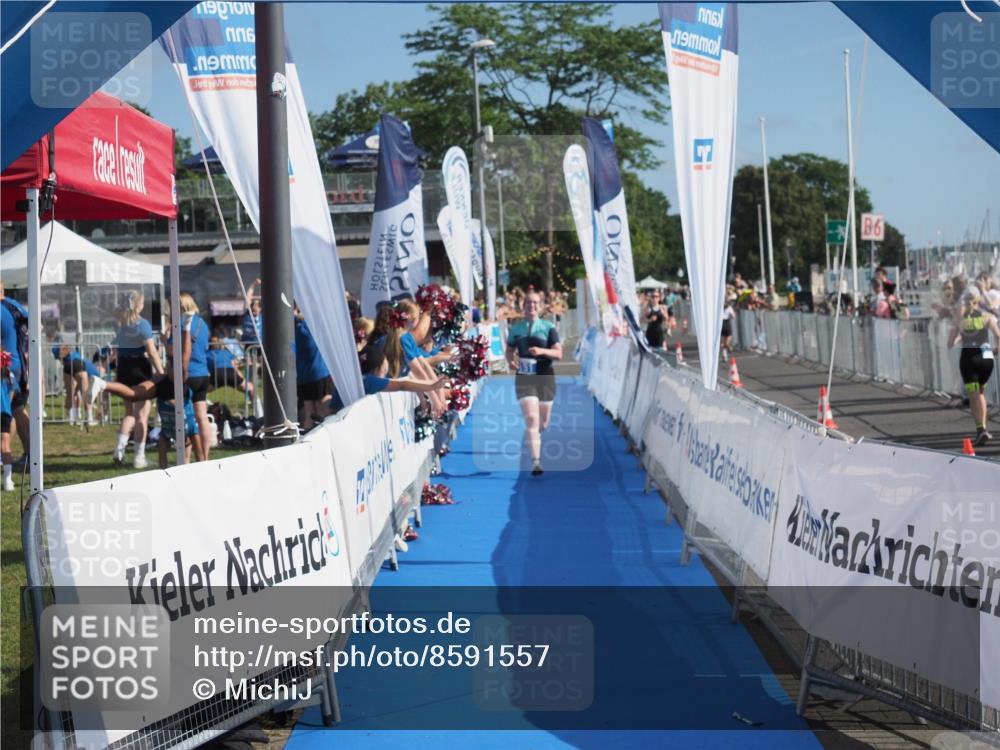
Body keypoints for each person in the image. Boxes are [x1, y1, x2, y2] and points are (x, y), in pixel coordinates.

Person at [505, 291, 562, 476]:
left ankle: (534, 436)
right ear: (523, 306)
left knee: (543, 423)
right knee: (531, 419)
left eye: (536, 303)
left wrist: (542, 350)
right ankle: (536, 461)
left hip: (545, 376)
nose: (532, 306)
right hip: (524, 377)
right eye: (529, 303)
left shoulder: (548, 327)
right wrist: (510, 361)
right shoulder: (516, 328)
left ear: (541, 306)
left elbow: (559, 354)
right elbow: (509, 350)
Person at [111, 291, 164, 469]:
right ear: (138, 304)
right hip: (140, 368)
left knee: (129, 413)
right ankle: (139, 457)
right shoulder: (143, 324)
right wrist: (161, 372)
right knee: (141, 416)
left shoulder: (119, 323)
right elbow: (152, 351)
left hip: (124, 368)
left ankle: (119, 451)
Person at [948, 286, 1000, 445]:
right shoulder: (988, 317)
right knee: (981, 392)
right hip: (986, 357)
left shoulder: (961, 320)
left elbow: (950, 343)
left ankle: (981, 429)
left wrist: (959, 338)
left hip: (969, 358)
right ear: (978, 301)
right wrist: (996, 349)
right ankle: (984, 429)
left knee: (973, 395)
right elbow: (998, 335)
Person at [294, 310, 334, 431]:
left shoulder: (296, 331)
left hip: (303, 377)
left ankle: (306, 438)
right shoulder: (312, 329)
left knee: (309, 412)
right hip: (319, 374)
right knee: (323, 411)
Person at [359, 348, 449, 395]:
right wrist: (432, 386)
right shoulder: (370, 381)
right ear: (376, 370)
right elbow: (402, 385)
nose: (385, 375)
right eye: (384, 371)